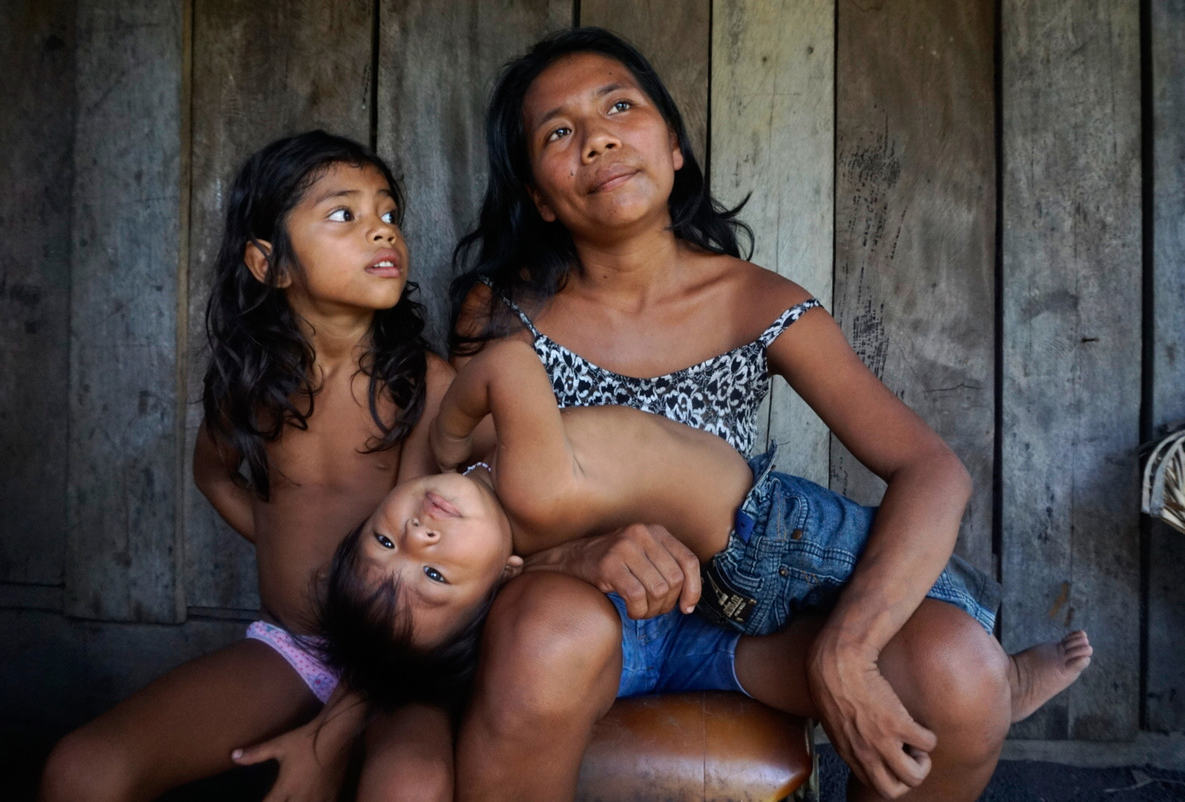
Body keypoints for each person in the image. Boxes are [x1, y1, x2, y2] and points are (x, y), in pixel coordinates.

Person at [445, 27, 1083, 801]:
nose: (598, 139)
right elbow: (457, 496)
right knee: (552, 629)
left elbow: (930, 469)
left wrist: (845, 650)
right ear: (539, 197)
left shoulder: (760, 303)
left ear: (674, 146)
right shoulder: (502, 313)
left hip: (744, 623)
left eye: (619, 106)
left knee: (960, 674)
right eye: (559, 131)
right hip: (571, 613)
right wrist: (573, 558)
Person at [316, 338, 1089, 724]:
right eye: (438, 576)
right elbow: (512, 361)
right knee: (893, 577)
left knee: (858, 634)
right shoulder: (524, 481)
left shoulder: (484, 499)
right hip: (772, 529)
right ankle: (1002, 673)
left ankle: (980, 680)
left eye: (382, 544)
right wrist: (452, 435)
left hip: (717, 581)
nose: (418, 540)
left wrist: (440, 455)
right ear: (508, 576)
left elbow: (425, 485)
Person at [38, 131, 455, 802]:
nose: (382, 231)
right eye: (345, 214)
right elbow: (213, 475)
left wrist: (329, 740)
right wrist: (287, 546)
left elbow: (409, 595)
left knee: (411, 790)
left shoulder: (425, 387)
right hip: (297, 650)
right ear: (269, 263)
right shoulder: (253, 385)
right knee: (81, 770)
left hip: (403, 664)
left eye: (388, 213)